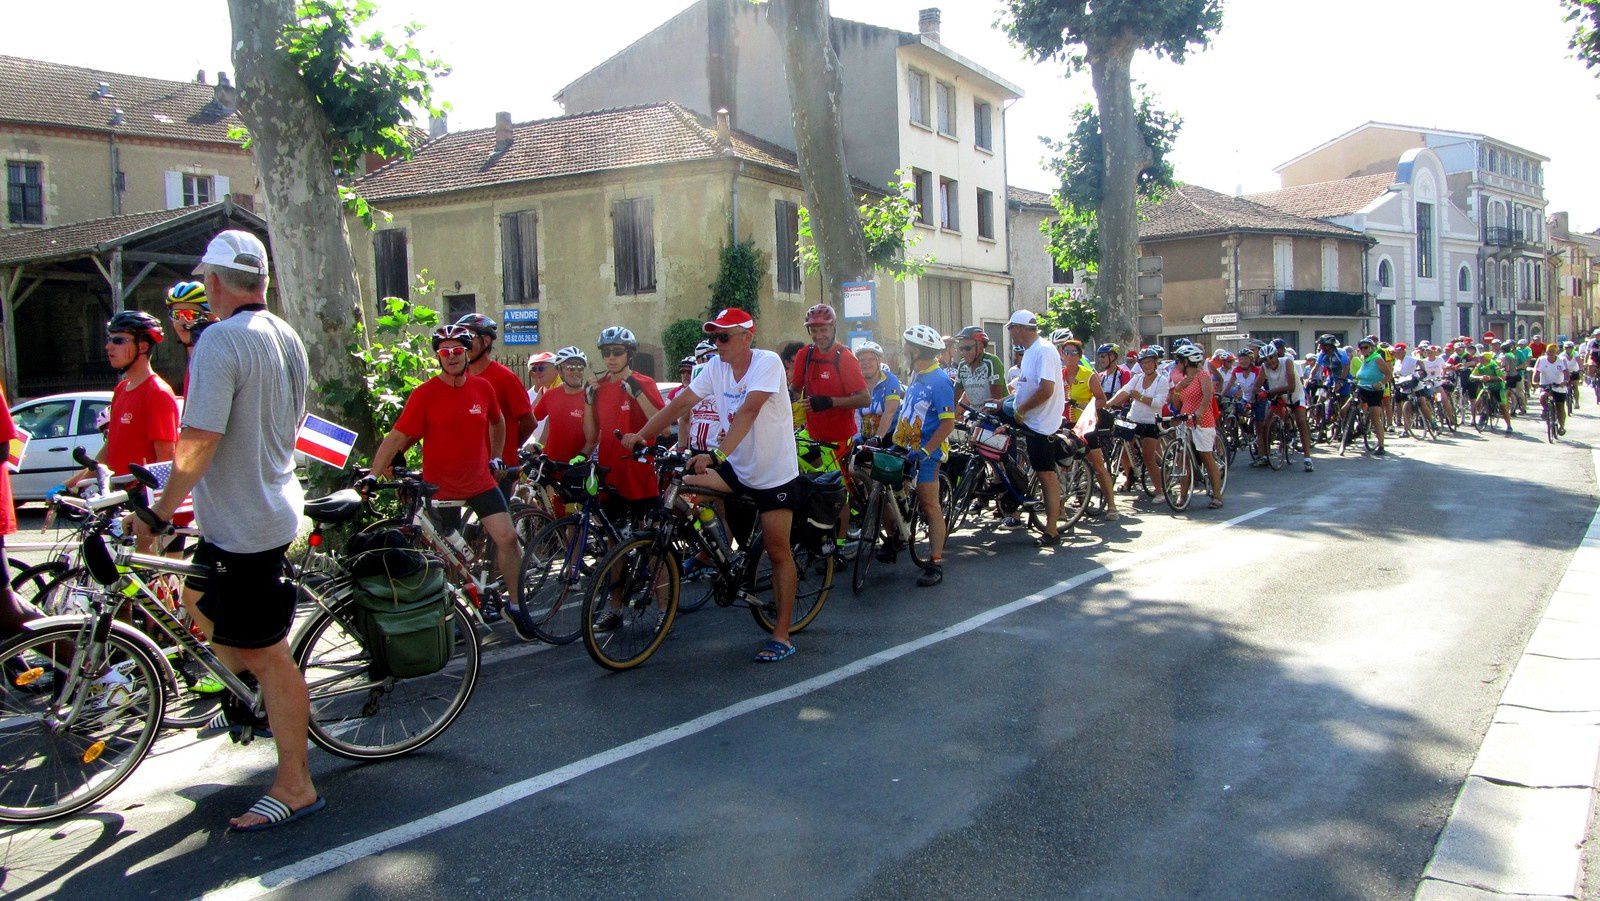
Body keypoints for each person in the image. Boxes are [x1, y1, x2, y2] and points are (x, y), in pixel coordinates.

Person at [130, 229, 318, 832]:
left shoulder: (220, 341)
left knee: (270, 654)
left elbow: (201, 439)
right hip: (260, 508)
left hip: (248, 523)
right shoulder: (285, 335)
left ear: (213, 282)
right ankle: (242, 692)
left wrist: (159, 513)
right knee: (195, 597)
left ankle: (296, 784)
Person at [623, 307, 803, 662]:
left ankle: (781, 634)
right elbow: (682, 402)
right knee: (680, 484)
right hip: (737, 466)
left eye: (724, 336)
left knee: (777, 549)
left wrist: (717, 455)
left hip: (773, 472)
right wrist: (641, 436)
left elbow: (749, 412)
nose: (716, 343)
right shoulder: (715, 368)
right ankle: (712, 552)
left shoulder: (765, 362)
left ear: (747, 337)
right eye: (713, 337)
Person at [371, 324, 532, 638]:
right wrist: (372, 476)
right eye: (445, 352)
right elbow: (397, 438)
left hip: (481, 482)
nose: (452, 357)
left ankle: (514, 605)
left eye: (458, 350)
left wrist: (496, 456)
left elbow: (498, 422)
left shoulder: (483, 388)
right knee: (451, 559)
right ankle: (458, 614)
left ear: (467, 352)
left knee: (508, 539)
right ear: (438, 357)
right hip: (440, 489)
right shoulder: (425, 395)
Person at [69, 310, 180, 490]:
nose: (109, 347)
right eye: (109, 339)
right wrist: (70, 485)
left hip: (142, 501)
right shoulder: (121, 389)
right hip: (117, 497)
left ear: (142, 347)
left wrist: (155, 511)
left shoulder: (158, 393)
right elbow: (109, 450)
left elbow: (166, 460)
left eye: (118, 341)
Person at [790, 304, 869, 553]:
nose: (818, 335)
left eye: (823, 329)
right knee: (796, 474)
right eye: (813, 330)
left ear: (833, 327)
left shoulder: (844, 357)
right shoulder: (805, 355)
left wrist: (829, 402)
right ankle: (813, 528)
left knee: (837, 490)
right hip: (811, 432)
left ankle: (842, 541)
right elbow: (795, 391)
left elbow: (864, 398)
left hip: (839, 436)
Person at [883, 324, 957, 586]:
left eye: (906, 347)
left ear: (916, 351)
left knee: (929, 505)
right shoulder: (916, 374)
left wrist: (926, 450)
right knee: (883, 489)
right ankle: (896, 537)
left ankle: (935, 563)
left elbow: (948, 424)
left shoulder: (940, 381)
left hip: (927, 453)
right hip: (905, 446)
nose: (903, 351)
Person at [585, 326, 666, 522]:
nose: (611, 357)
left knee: (646, 541)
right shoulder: (599, 386)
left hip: (638, 474)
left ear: (629, 354)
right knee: (613, 541)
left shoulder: (644, 383)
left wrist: (637, 394)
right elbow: (591, 436)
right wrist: (587, 401)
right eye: (606, 353)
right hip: (610, 472)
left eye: (618, 352)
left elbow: (664, 428)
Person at [1004, 310, 1065, 546]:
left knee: (1045, 474)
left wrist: (1023, 410)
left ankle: (1052, 530)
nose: (1010, 334)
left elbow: (1046, 390)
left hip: (1041, 423)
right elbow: (1024, 386)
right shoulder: (1029, 352)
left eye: (1011, 329)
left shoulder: (1044, 350)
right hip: (1027, 416)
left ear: (1019, 328)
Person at [455, 314, 536, 490]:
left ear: (485, 341)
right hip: (468, 468)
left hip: (499, 470)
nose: (462, 343)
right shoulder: (461, 378)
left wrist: (509, 446)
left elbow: (529, 422)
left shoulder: (505, 377)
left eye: (468, 337)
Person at [532, 347, 593, 515]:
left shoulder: (589, 398)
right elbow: (531, 420)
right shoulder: (551, 395)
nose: (576, 372)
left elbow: (595, 436)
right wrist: (533, 445)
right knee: (553, 515)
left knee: (573, 520)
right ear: (559, 370)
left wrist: (583, 455)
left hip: (575, 467)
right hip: (551, 465)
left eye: (580, 368)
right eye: (570, 367)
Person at [1168, 344, 1226, 508]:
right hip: (1185, 420)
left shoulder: (1203, 375)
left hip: (1202, 420)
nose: (1176, 363)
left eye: (1179, 360)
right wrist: (1178, 388)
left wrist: (1199, 412)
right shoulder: (1181, 379)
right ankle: (1183, 495)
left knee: (1206, 456)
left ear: (1187, 361)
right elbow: (1177, 404)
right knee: (1182, 459)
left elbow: (1208, 396)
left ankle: (1217, 496)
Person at [1106, 347, 1167, 497]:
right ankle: (1129, 479)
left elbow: (1158, 403)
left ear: (1155, 363)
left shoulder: (1162, 380)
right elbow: (1124, 391)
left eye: (1150, 362)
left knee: (1148, 457)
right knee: (1124, 450)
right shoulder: (1138, 378)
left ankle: (1160, 491)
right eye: (1144, 363)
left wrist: (1138, 397)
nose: (1147, 365)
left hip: (1151, 422)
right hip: (1133, 419)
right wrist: (1108, 403)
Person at [1256, 344, 1314, 472]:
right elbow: (1256, 386)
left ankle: (1307, 458)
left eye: (1271, 357)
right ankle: (1265, 455)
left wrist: (1269, 392)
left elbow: (1291, 386)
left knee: (1301, 421)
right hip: (1278, 397)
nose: (1269, 361)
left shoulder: (1287, 362)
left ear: (1276, 355)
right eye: (1265, 359)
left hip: (1295, 396)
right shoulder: (1264, 367)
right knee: (1266, 423)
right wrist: (1260, 392)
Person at [165, 280, 218, 395]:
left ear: (212, 316)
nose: (181, 321)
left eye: (190, 314)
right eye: (176, 315)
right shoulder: (194, 356)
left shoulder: (214, 358)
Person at [1351, 337, 1392, 454]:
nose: (1363, 350)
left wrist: (1380, 384)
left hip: (1374, 391)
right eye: (1361, 348)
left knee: (1375, 417)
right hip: (1362, 388)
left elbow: (1389, 375)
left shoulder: (1377, 359)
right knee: (1347, 408)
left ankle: (1381, 446)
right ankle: (1357, 426)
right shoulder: (1363, 358)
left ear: (1372, 348)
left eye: (1366, 347)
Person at [855, 341, 902, 444]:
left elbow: (890, 411)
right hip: (864, 438)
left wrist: (878, 437)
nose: (866, 363)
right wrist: (857, 437)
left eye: (870, 359)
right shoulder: (855, 382)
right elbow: (855, 414)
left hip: (888, 437)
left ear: (879, 361)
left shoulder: (890, 380)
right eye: (862, 360)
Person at [952, 325, 1007, 408]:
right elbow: (955, 397)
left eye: (967, 348)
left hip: (998, 412)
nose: (963, 352)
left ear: (980, 347)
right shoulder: (962, 365)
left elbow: (995, 400)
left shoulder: (991, 362)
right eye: (961, 349)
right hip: (976, 413)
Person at [1471, 349, 1513, 434]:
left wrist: (1490, 378)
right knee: (1480, 400)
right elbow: (1471, 375)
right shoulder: (1479, 365)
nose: (1479, 359)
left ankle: (1509, 426)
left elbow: (1502, 377)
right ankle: (1483, 415)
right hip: (1486, 387)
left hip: (1497, 387)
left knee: (1503, 406)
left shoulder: (1494, 365)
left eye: (1481, 358)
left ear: (1487, 359)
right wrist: (1480, 377)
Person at [1533, 342, 1571, 436]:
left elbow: (1566, 374)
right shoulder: (1541, 360)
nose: (1550, 354)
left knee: (1560, 407)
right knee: (1543, 396)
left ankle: (1561, 426)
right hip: (1546, 385)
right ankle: (1546, 410)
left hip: (1559, 387)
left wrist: (1565, 381)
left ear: (1556, 352)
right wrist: (1535, 382)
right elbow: (1536, 373)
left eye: (1553, 352)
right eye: (1548, 352)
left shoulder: (1562, 360)